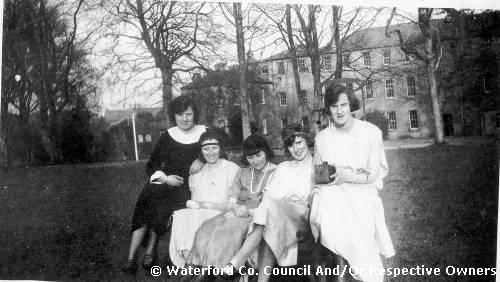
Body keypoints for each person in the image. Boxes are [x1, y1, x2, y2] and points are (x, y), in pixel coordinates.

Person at [310, 84, 395, 282]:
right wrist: (330, 177)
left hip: (362, 189)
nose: (339, 111)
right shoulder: (322, 138)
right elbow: (319, 175)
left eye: (343, 105)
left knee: (356, 206)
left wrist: (346, 176)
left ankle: (363, 270)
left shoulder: (371, 133)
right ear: (328, 109)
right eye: (333, 106)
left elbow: (372, 175)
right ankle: (356, 269)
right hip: (332, 191)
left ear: (351, 106)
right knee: (330, 200)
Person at [121, 95, 206, 275]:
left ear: (195, 115)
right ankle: (131, 258)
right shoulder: (169, 136)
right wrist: (166, 179)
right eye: (180, 114)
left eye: (189, 114)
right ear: (174, 116)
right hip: (167, 181)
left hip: (189, 186)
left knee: (162, 206)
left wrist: (201, 158)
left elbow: (219, 151)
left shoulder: (204, 132)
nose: (185, 118)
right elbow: (151, 166)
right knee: (148, 200)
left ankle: (150, 251)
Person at [222, 125, 314, 282]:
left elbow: (318, 194)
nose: (296, 149)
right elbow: (269, 196)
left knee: (271, 211)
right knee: (270, 219)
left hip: (302, 216)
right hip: (276, 214)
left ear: (306, 141)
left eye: (299, 143)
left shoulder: (316, 166)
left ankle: (239, 260)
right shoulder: (283, 168)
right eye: (291, 145)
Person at [186, 135, 277, 269]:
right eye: (250, 157)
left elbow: (273, 204)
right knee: (206, 228)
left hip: (258, 216)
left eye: (258, 155)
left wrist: (247, 211)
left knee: (227, 231)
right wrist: (235, 207)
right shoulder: (243, 173)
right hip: (236, 212)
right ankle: (198, 267)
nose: (255, 161)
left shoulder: (276, 172)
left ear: (266, 152)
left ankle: (218, 268)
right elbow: (231, 201)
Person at [169, 130, 240, 267]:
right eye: (206, 149)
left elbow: (232, 204)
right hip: (200, 214)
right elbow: (194, 202)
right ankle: (189, 260)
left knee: (198, 216)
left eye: (214, 148)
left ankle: (197, 265)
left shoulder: (232, 169)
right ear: (201, 151)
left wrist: (204, 205)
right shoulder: (196, 172)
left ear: (221, 148)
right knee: (181, 215)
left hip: (222, 214)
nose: (211, 152)